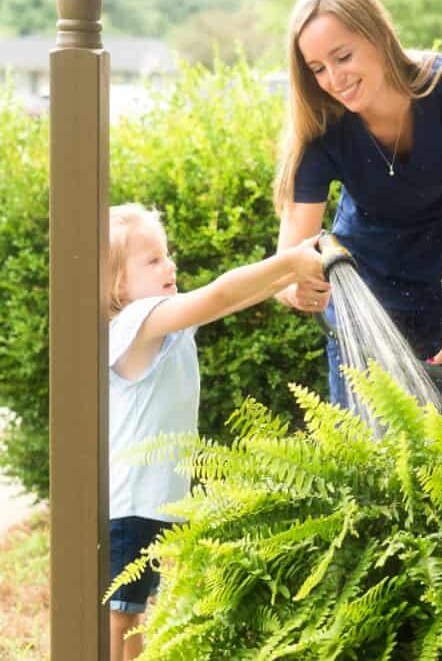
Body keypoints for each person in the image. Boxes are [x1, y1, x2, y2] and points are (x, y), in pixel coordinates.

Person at [272, 0, 442, 406]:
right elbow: (290, 253)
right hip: (364, 304)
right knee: (368, 462)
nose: (333, 79)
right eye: (317, 69)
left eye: (342, 56)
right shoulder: (324, 126)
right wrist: (292, 289)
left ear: (378, 35)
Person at [105, 204, 325, 661]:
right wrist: (287, 262)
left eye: (168, 255)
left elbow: (234, 300)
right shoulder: (134, 323)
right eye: (152, 260)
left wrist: (284, 279)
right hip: (127, 504)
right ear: (118, 284)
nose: (170, 266)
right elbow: (219, 295)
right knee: (119, 617)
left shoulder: (165, 326)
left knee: (131, 613)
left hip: (144, 503)